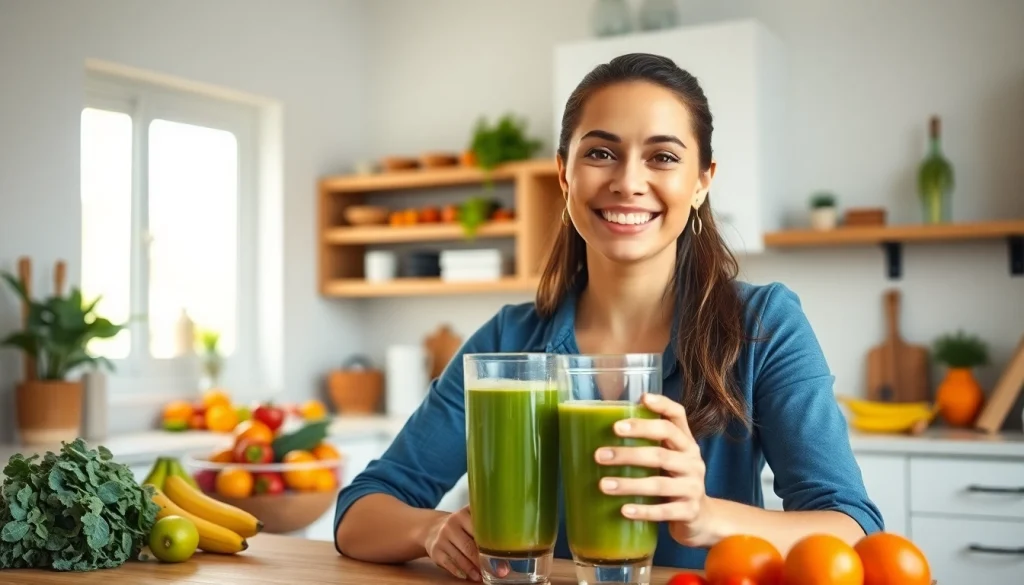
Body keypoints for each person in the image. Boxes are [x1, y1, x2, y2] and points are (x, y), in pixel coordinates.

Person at [333, 52, 883, 578]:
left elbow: (852, 525)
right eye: (600, 153)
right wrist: (430, 530)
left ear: (702, 182)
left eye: (663, 157)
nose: (627, 180)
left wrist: (706, 515)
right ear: (564, 174)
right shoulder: (509, 339)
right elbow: (360, 513)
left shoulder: (763, 324)